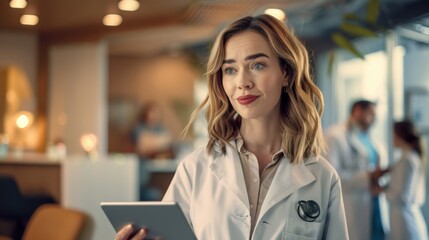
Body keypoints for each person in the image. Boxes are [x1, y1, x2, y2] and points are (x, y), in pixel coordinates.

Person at [116, 14, 349, 240]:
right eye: (230, 70)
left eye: (257, 65)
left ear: (285, 73)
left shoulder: (322, 178)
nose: (242, 82)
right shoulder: (195, 169)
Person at [325, 99, 389, 240]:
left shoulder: (371, 138)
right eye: (371, 114)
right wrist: (368, 177)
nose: (375, 119)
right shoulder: (335, 135)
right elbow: (332, 178)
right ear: (358, 111)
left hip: (375, 204)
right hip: (353, 205)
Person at [373, 120, 428, 240]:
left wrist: (380, 190)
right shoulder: (408, 158)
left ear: (400, 136)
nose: (392, 139)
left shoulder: (408, 160)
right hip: (403, 219)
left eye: (394, 135)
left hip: (405, 222)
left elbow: (403, 197)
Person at [131, 101, 174, 201]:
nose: (154, 116)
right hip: (141, 168)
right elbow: (143, 146)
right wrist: (157, 143)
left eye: (156, 113)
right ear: (146, 114)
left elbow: (167, 141)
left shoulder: (161, 129)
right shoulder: (139, 128)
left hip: (157, 166)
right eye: (151, 112)